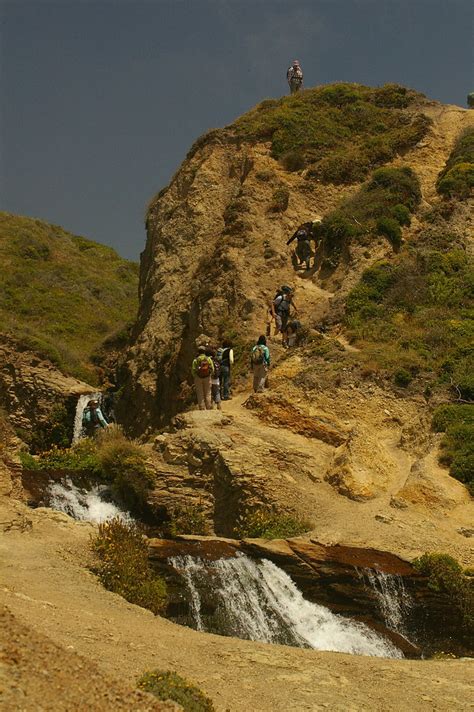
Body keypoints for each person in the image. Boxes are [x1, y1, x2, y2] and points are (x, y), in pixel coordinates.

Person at [191, 346, 214, 410]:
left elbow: (193, 370)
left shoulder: (195, 360)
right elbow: (212, 368)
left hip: (198, 378)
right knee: (208, 392)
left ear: (198, 352)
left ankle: (202, 407)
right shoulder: (208, 359)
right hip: (207, 377)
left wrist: (196, 376)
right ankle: (209, 407)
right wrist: (209, 374)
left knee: (200, 393)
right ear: (204, 351)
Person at [206, 346, 222, 410]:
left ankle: (211, 405)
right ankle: (218, 404)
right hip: (216, 378)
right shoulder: (216, 360)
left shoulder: (207, 360)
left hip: (209, 378)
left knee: (210, 392)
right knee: (217, 391)